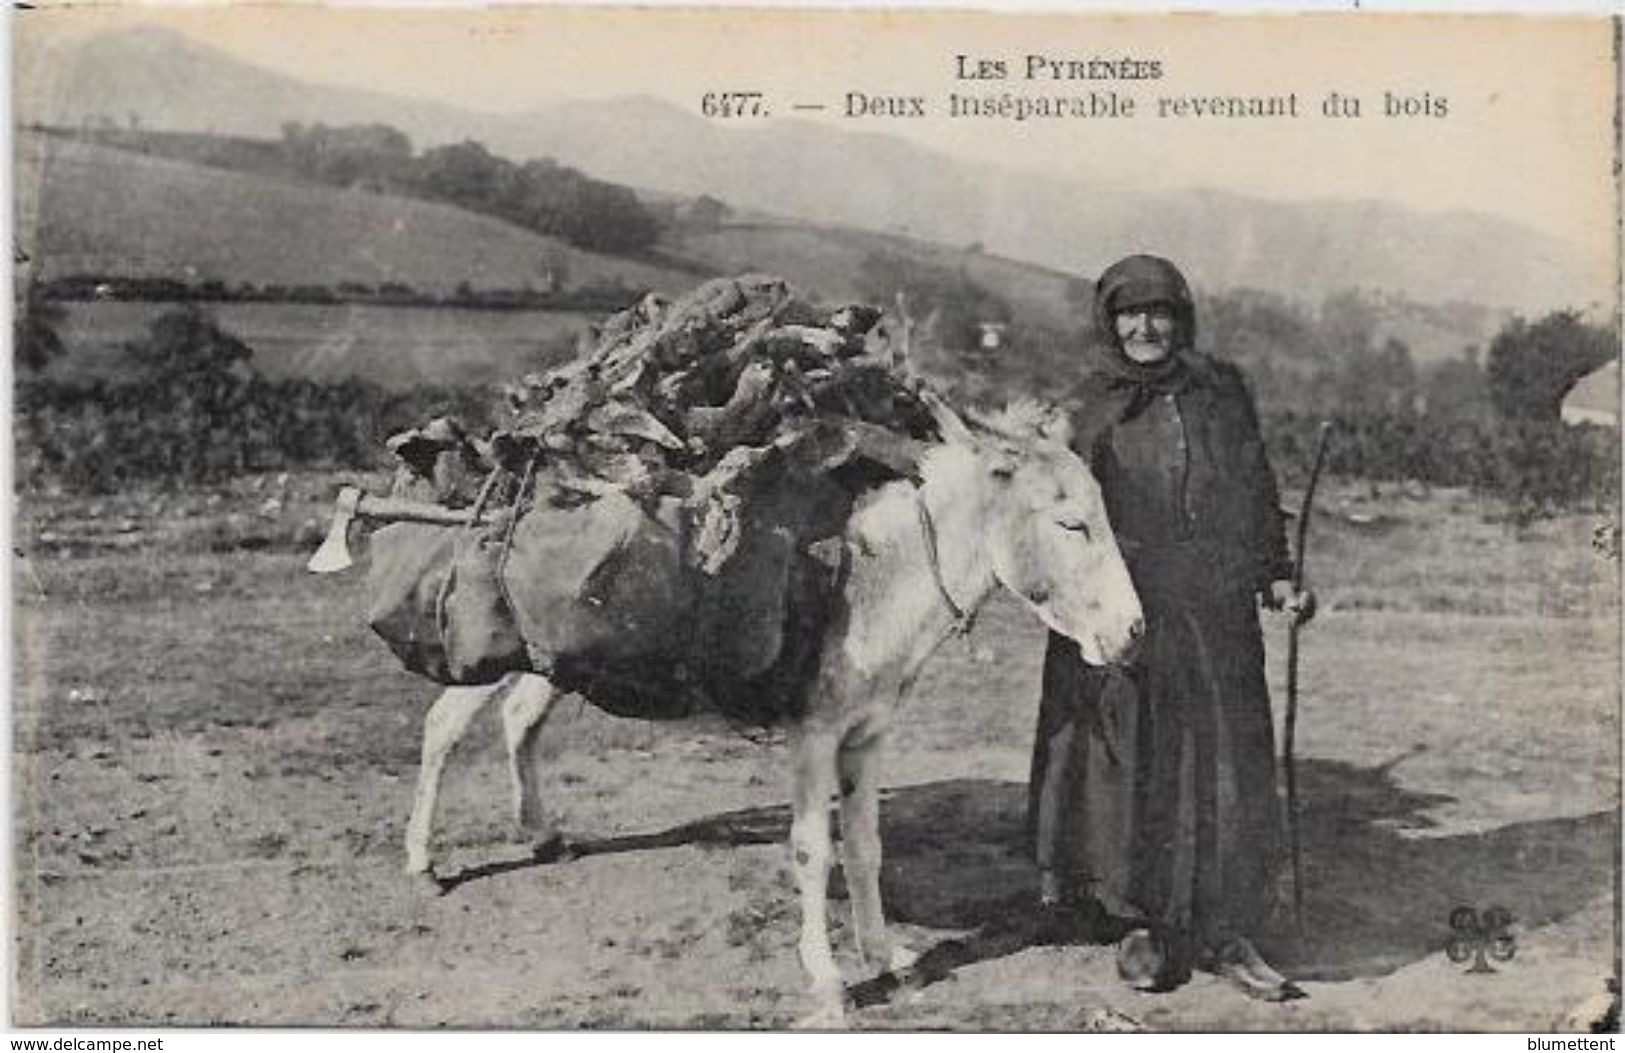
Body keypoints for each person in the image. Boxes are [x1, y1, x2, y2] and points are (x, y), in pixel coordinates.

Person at [1028, 254, 1315, 1000]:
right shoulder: (1086, 406)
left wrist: (1276, 573)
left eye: (1158, 312)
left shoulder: (1219, 393)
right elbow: (1055, 519)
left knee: (1221, 763)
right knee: (1132, 766)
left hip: (1214, 612)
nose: (1144, 326)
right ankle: (1142, 925)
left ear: (1180, 318)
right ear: (1109, 320)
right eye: (1129, 313)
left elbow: (1253, 487)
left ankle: (1225, 928)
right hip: (1126, 610)